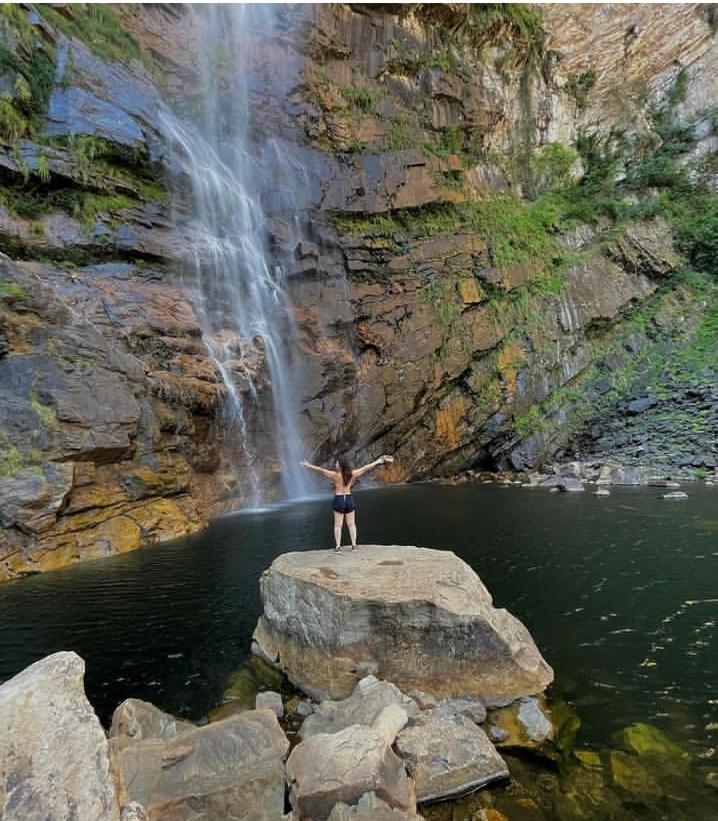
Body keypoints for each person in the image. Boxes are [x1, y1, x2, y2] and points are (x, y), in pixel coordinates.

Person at [299, 454, 394, 552]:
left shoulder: (335, 475)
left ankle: (338, 547)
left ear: (340, 465)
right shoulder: (352, 474)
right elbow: (366, 468)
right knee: (351, 524)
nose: (335, 464)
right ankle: (354, 546)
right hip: (349, 499)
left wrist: (308, 466)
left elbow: (321, 470)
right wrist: (377, 461)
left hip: (339, 499)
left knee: (338, 525)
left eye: (337, 463)